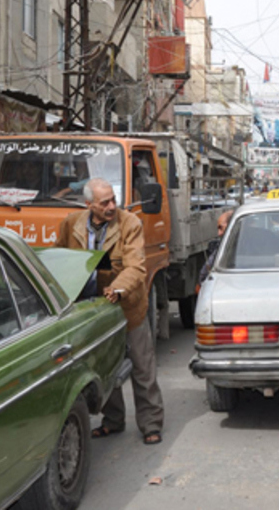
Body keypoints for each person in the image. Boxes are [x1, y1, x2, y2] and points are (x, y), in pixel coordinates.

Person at [55, 178, 165, 445]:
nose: (112, 206)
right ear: (88, 204)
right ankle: (113, 420)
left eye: (113, 200)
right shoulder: (71, 224)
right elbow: (60, 258)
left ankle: (151, 423)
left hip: (128, 307)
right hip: (93, 309)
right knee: (105, 367)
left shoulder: (129, 223)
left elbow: (135, 267)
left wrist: (117, 289)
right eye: (104, 202)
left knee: (142, 367)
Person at [197, 209, 234, 290]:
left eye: (221, 228)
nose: (219, 233)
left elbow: (204, 275)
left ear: (231, 226)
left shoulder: (224, 247)